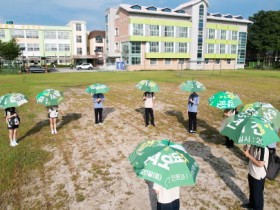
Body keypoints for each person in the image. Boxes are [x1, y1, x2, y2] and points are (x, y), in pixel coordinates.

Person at [242, 145, 269, 210]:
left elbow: (260, 164)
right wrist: (246, 150)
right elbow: (251, 155)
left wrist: (248, 155)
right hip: (251, 172)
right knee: (252, 191)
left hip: (258, 176)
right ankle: (251, 204)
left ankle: (258, 208)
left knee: (257, 195)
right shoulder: (254, 145)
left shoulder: (263, 149)